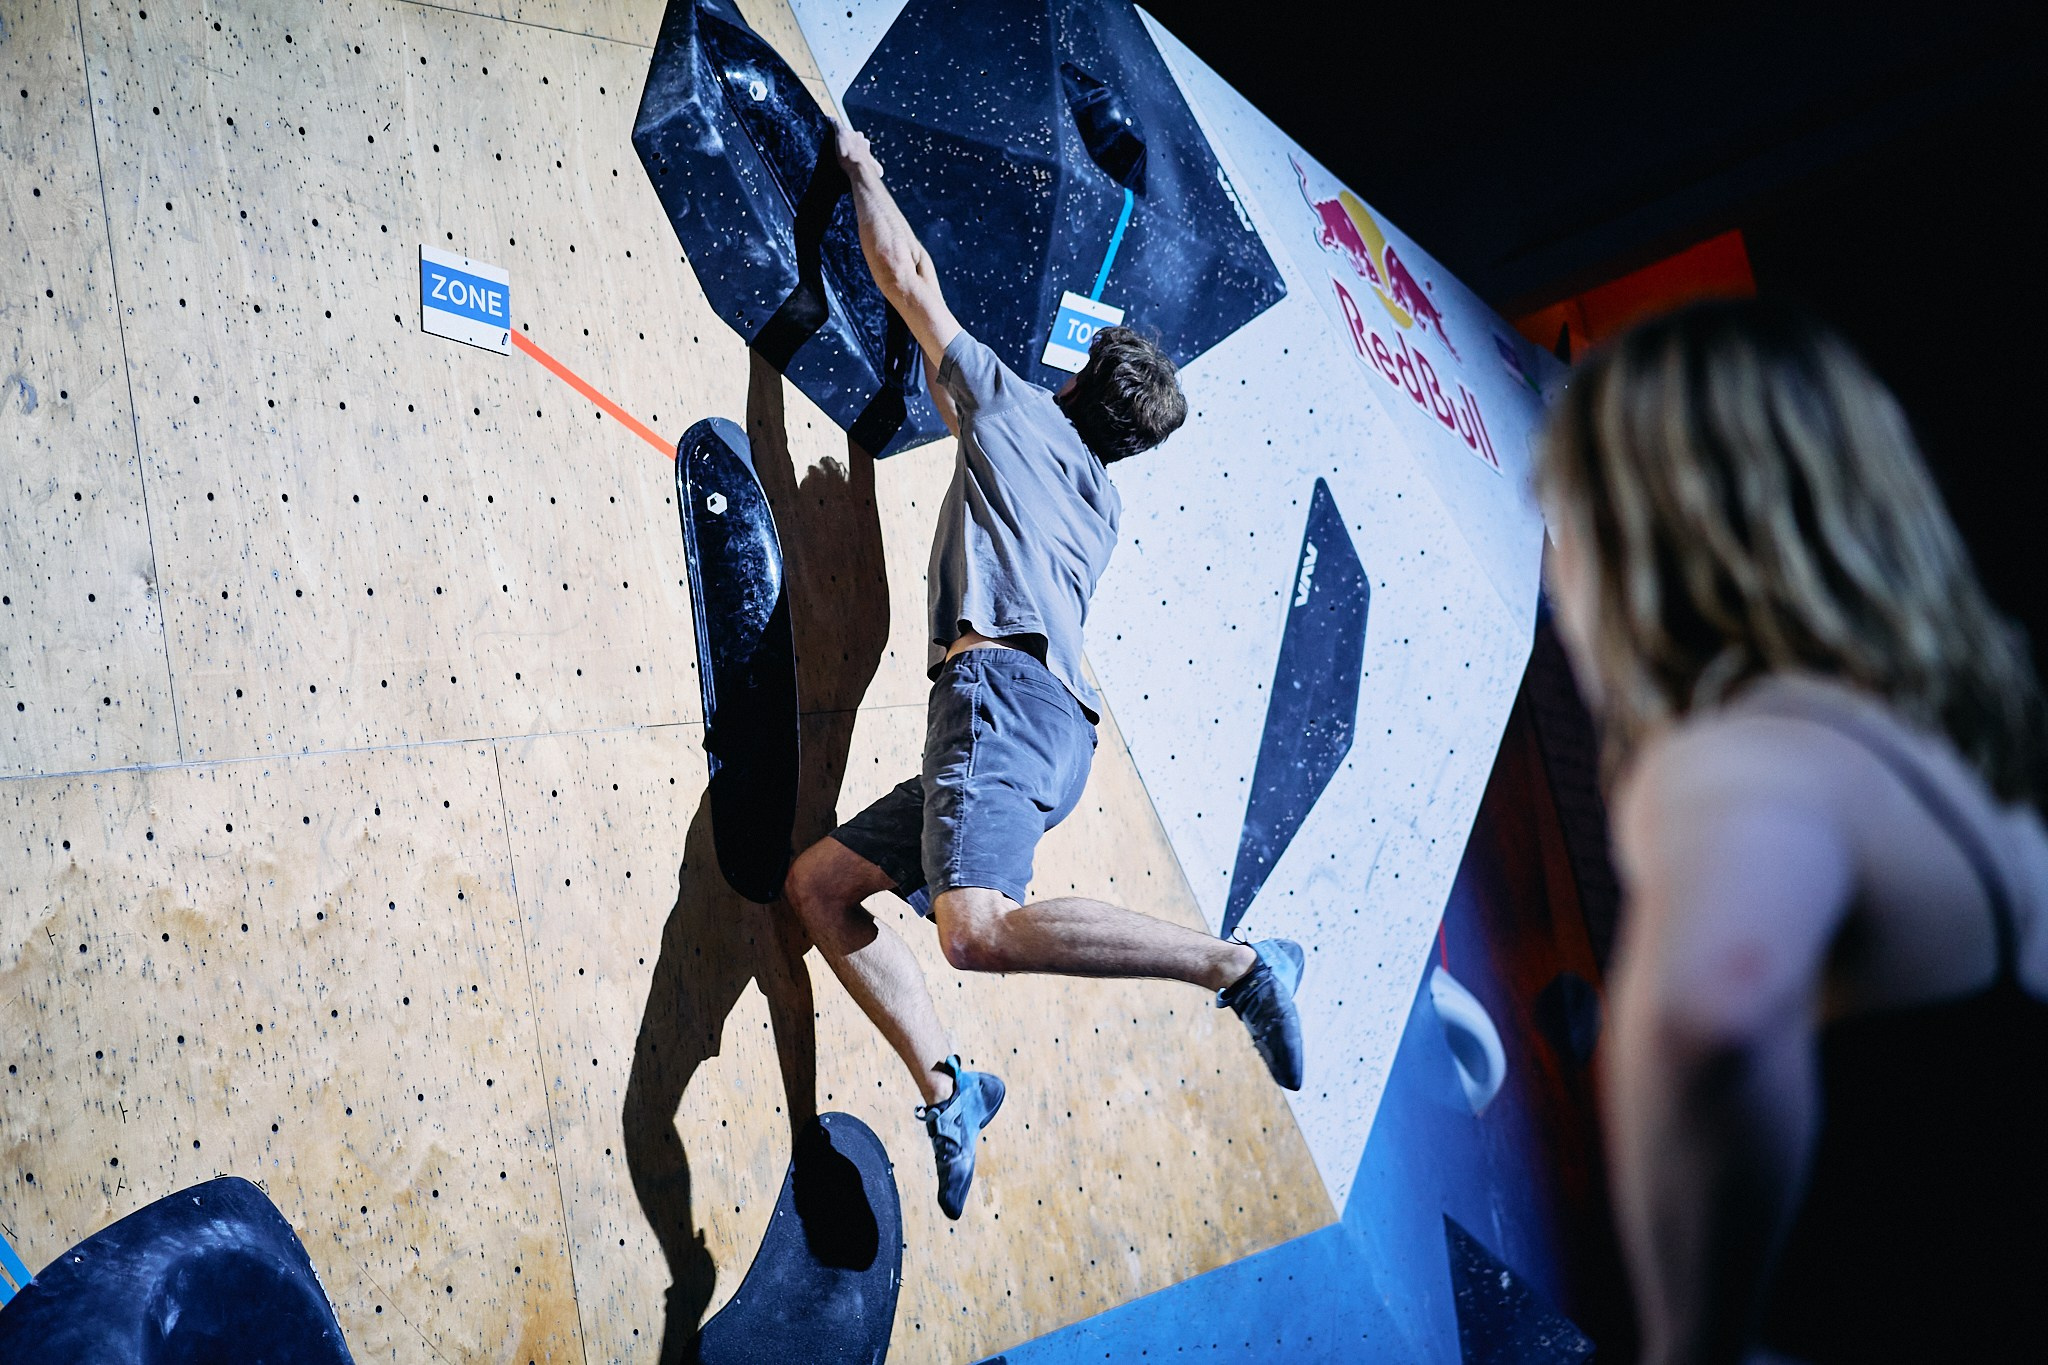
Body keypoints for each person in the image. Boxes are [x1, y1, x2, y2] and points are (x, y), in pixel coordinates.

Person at [781, 120, 1307, 1220]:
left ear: (1074, 377)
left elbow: (907, 276)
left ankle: (1240, 967)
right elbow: (987, 444)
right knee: (820, 887)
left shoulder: (1013, 406)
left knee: (973, 930)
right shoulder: (1099, 503)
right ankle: (953, 1090)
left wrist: (860, 168)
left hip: (995, 706)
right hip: (1044, 736)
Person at [1537, 298, 2048, 1364]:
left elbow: (1713, 1009)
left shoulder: (1741, 751)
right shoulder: (1955, 772)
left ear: (1641, 528)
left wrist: (1693, 1341)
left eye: (1567, 520)